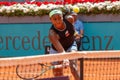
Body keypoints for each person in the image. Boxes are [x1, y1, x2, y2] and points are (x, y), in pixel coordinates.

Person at [48, 9, 79, 80]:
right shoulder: (52, 34)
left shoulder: (70, 19)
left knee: (73, 67)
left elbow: (72, 29)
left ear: (63, 17)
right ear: (51, 20)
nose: (58, 21)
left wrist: (75, 33)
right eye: (55, 19)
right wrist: (65, 59)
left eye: (59, 18)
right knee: (58, 74)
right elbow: (61, 50)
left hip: (70, 45)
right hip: (56, 50)